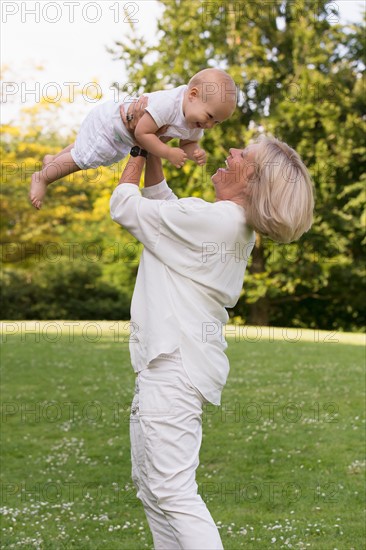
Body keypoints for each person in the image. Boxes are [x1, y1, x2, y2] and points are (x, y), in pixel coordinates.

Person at [109, 105, 314, 549]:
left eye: (246, 158)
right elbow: (162, 205)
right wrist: (156, 144)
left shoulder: (219, 221)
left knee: (172, 492)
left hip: (173, 367)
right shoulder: (223, 222)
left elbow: (125, 207)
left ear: (253, 183)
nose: (233, 150)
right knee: (153, 489)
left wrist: (139, 144)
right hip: (170, 366)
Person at [29, 68, 237, 209]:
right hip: (110, 123)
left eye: (216, 123)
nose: (209, 125)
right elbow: (142, 133)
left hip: (120, 136)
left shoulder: (195, 121)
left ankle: (53, 160)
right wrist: (167, 152)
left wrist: (194, 153)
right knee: (85, 158)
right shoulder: (168, 104)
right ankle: (43, 177)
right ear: (192, 94)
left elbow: (188, 143)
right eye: (210, 117)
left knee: (86, 147)